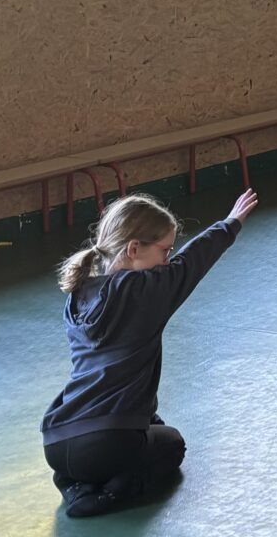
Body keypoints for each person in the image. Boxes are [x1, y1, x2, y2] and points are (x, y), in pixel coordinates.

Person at [41, 188, 257, 518]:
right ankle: (110, 492)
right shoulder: (143, 289)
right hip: (104, 444)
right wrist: (229, 224)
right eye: (164, 251)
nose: (167, 260)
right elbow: (190, 263)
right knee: (172, 445)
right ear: (133, 249)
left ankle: (72, 483)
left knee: (149, 425)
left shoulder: (79, 294)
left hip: (56, 441)